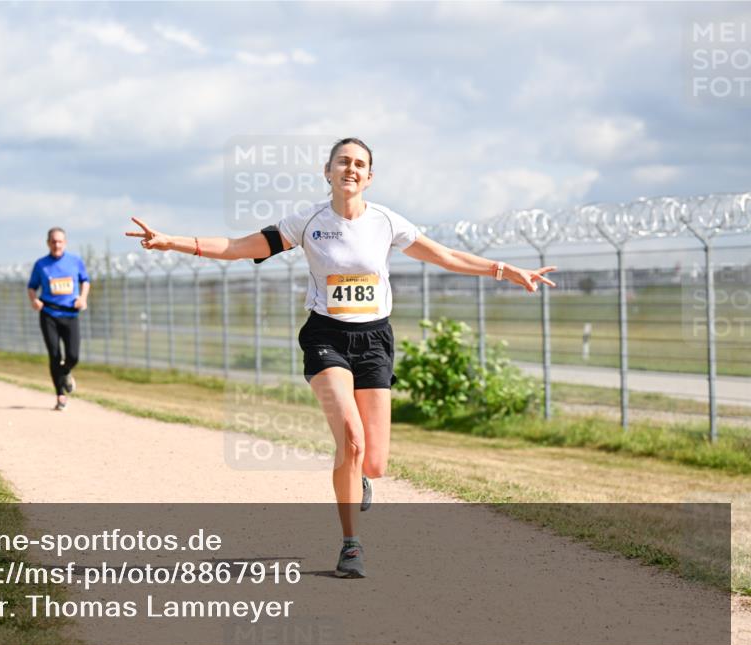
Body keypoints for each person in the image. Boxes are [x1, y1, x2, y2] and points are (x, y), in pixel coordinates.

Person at [127, 137, 556, 578]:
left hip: (375, 341)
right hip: (325, 336)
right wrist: (171, 242)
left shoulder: (387, 222)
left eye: (359, 164)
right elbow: (240, 247)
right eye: (343, 162)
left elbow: (444, 256)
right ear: (327, 171)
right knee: (350, 439)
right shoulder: (309, 220)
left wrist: (506, 270)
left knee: (374, 461)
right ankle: (351, 545)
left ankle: (359, 476)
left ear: (369, 177)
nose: (350, 169)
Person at [27, 227, 90, 411]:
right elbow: (32, 287)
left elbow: (85, 281)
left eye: (60, 241)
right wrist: (34, 301)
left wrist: (83, 298)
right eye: (53, 241)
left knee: (73, 355)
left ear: (65, 243)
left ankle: (65, 371)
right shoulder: (41, 265)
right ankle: (60, 395)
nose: (57, 245)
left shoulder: (75, 261)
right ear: (48, 243)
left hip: (70, 314)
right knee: (55, 355)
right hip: (49, 314)